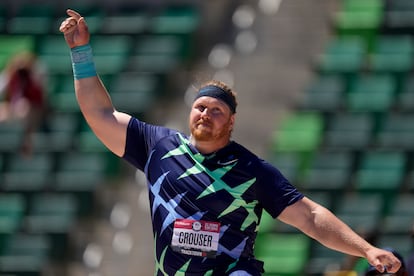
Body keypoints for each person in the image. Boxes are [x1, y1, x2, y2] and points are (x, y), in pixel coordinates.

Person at [59, 9, 402, 276]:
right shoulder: (159, 147)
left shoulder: (251, 170)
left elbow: (309, 216)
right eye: (200, 107)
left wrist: (365, 250)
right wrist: (81, 52)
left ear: (232, 121)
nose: (206, 114)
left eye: (217, 111)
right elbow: (99, 115)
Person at [0, 51, 48, 156]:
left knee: (24, 108)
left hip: (34, 109)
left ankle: (27, 144)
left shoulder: (34, 76)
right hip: (14, 107)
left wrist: (31, 72)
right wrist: (11, 72)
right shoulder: (12, 74)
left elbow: (43, 93)